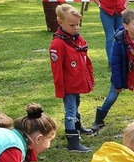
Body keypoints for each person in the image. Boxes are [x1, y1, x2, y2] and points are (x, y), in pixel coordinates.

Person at [49, 3, 95, 153]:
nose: (76, 28)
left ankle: (78, 126)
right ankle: (72, 141)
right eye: (72, 25)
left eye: (78, 24)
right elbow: (57, 70)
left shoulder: (77, 38)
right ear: (60, 23)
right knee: (70, 111)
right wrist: (60, 89)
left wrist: (88, 78)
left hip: (77, 83)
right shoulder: (58, 44)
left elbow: (85, 59)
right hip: (68, 85)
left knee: (76, 104)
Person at [92, 0, 129, 67]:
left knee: (122, 36)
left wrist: (124, 6)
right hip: (106, 11)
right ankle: (111, 62)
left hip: (120, 12)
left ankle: (122, 60)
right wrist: (100, 5)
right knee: (110, 37)